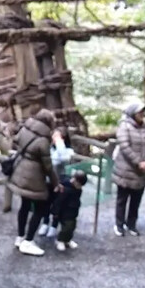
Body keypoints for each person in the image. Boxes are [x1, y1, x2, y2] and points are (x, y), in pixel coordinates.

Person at [11, 109, 60, 256]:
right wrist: (56, 182)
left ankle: (20, 237)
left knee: (24, 205)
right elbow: (48, 166)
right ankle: (29, 241)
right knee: (40, 208)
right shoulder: (43, 140)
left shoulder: (25, 129)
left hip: (20, 171)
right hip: (34, 177)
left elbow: (15, 141)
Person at [112, 102, 145, 236]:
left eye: (143, 111)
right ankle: (119, 224)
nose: (142, 114)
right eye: (139, 112)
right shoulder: (124, 126)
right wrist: (138, 162)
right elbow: (124, 146)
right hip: (126, 170)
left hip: (142, 172)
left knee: (136, 200)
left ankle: (131, 224)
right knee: (122, 199)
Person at [39, 128, 75, 239]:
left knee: (57, 205)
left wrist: (60, 143)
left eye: (57, 137)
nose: (54, 139)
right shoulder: (49, 149)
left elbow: (63, 158)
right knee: (46, 203)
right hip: (48, 181)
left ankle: (54, 225)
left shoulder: (67, 151)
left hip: (60, 181)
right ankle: (45, 222)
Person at [52, 169, 88, 252]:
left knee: (72, 226)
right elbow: (58, 202)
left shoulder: (77, 189)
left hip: (73, 211)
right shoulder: (66, 189)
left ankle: (67, 240)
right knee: (66, 227)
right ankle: (60, 240)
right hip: (65, 212)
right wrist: (56, 212)